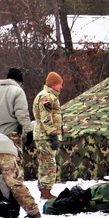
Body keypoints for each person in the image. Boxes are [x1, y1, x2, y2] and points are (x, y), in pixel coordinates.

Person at [0, 67, 33, 152]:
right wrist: (29, 131)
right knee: (14, 158)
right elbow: (22, 114)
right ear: (19, 81)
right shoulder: (18, 91)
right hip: (11, 133)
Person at [32, 71, 64, 200]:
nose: (61, 87)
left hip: (43, 136)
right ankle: (46, 192)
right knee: (48, 165)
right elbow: (46, 118)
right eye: (60, 84)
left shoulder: (48, 96)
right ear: (54, 84)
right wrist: (53, 134)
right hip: (45, 136)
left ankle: (45, 191)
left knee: (45, 164)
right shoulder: (46, 97)